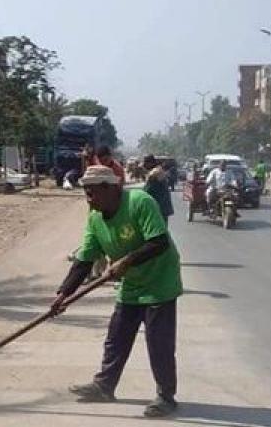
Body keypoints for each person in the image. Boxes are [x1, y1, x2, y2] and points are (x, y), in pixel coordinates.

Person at [50, 165, 182, 418]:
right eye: (85, 193)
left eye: (93, 192)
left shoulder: (140, 202)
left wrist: (125, 261)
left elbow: (159, 241)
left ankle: (166, 397)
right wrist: (63, 294)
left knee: (159, 344)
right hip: (131, 285)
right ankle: (104, 386)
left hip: (160, 282)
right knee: (116, 338)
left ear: (112, 188)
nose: (89, 199)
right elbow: (85, 260)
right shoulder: (95, 219)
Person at [142, 155, 174, 225]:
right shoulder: (158, 170)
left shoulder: (154, 173)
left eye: (146, 163)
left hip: (158, 207)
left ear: (151, 163)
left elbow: (147, 190)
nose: (144, 165)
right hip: (162, 206)